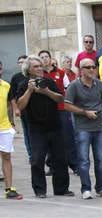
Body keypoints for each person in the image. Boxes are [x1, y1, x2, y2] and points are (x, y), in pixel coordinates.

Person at [15, 56, 74, 198]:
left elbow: (60, 99)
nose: (40, 68)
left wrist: (46, 91)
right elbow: (20, 105)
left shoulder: (48, 82)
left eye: (40, 66)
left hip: (54, 125)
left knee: (60, 158)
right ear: (28, 69)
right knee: (37, 159)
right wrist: (30, 91)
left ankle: (61, 189)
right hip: (36, 128)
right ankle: (40, 190)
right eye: (36, 66)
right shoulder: (23, 84)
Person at [64, 58, 102, 199]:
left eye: (94, 66)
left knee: (101, 159)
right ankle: (86, 189)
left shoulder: (99, 84)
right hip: (82, 128)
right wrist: (85, 112)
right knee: (84, 160)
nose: (92, 69)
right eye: (88, 67)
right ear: (81, 70)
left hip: (99, 127)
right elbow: (67, 105)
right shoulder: (74, 86)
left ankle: (101, 187)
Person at [40, 50, 78, 174]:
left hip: (61, 109)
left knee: (68, 137)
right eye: (42, 57)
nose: (45, 59)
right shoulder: (39, 74)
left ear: (51, 59)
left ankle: (74, 164)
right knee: (50, 138)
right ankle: (52, 165)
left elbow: (68, 89)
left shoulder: (61, 73)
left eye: (46, 57)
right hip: (47, 111)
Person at [1, 60, 22, 199]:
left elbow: (10, 105)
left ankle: (9, 189)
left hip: (4, 127)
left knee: (6, 157)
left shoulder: (6, 86)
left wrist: (12, 122)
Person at [9, 55, 32, 163]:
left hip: (38, 110)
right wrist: (16, 109)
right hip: (24, 110)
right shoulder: (16, 77)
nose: (22, 64)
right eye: (20, 62)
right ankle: (31, 155)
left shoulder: (32, 75)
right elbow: (12, 95)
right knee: (27, 133)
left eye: (24, 62)